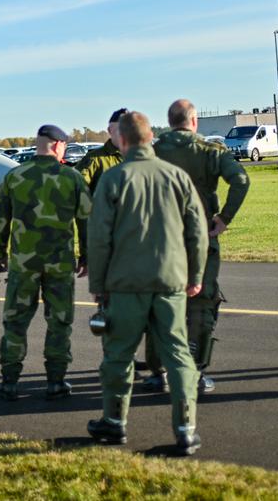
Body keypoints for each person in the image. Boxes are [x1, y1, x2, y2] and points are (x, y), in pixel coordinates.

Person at [85, 111, 206, 455]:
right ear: (151, 136)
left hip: (126, 285)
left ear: (121, 140)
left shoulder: (114, 179)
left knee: (119, 355)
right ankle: (186, 429)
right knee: (178, 355)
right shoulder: (177, 176)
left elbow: (99, 237)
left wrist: (98, 282)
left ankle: (115, 422)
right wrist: (195, 276)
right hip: (171, 282)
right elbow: (197, 232)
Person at [140, 99, 249, 395]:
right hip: (200, 238)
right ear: (194, 121)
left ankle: (158, 371)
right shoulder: (210, 151)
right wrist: (224, 218)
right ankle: (196, 371)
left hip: (160, 240)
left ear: (170, 120)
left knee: (159, 302)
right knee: (201, 303)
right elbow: (240, 179)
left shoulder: (153, 151)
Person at [0, 124, 93, 402]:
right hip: (59, 264)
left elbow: (0, 220)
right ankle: (55, 382)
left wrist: (1, 254)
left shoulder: (15, 176)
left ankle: (9, 382)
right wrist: (86, 256)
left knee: (15, 322)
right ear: (59, 145)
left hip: (23, 263)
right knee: (59, 323)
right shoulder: (71, 177)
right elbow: (86, 221)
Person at [74, 108, 129, 273]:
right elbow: (79, 203)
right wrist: (87, 253)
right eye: (120, 129)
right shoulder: (94, 160)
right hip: (107, 246)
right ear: (110, 131)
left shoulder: (142, 158)